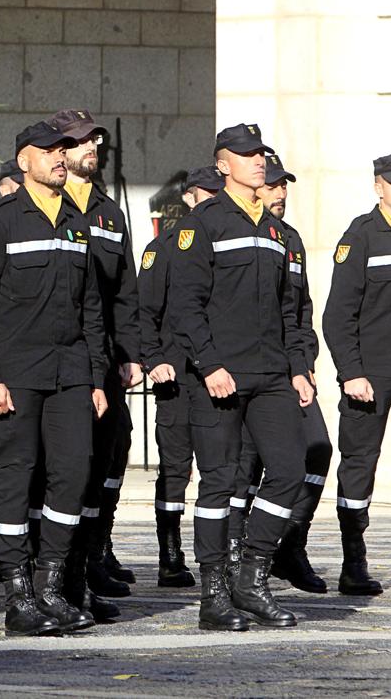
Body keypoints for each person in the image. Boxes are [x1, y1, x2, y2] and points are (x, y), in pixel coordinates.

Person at [0, 121, 106, 637]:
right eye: (50, 152)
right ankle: (17, 594)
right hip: (14, 376)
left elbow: (90, 307)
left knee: (71, 477)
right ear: (24, 162)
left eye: (64, 151)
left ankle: (50, 586)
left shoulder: (76, 222)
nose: (61, 158)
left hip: (69, 375)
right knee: (13, 482)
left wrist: (94, 378)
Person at [170, 123, 311, 631]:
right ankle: (214, 593)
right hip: (218, 376)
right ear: (223, 163)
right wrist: (209, 365)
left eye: (261, 153)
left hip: (271, 372)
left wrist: (299, 368)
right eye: (247, 154)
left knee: (290, 471)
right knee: (219, 481)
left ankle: (251, 578)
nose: (259, 161)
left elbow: (290, 307)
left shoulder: (277, 231)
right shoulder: (205, 223)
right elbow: (186, 305)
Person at [47, 109, 142, 616]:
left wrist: (130, 353)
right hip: (59, 362)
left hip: (104, 360)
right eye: (80, 142)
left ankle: (84, 574)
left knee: (99, 469)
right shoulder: (44, 205)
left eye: (94, 142)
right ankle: (54, 582)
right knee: (66, 472)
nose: (91, 149)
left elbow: (125, 291)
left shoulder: (108, 212)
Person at [324, 152, 391, 595]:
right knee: (359, 463)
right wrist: (351, 371)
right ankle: (355, 561)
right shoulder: (361, 237)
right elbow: (338, 314)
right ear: (378, 187)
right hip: (370, 371)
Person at [230, 153, 331, 594]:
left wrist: (303, 367)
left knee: (316, 450)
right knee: (242, 467)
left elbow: (299, 310)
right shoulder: (232, 229)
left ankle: (290, 542)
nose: (281, 193)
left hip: (285, 369)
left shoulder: (289, 238)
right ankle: (237, 557)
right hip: (241, 371)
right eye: (273, 185)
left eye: (284, 185)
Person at [137, 165, 222, 589]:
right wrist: (153, 359)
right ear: (188, 198)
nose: (210, 201)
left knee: (223, 467)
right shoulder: (164, 246)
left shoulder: (229, 240)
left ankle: (226, 553)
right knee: (176, 467)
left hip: (218, 376)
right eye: (204, 195)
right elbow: (145, 311)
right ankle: (170, 553)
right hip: (177, 375)